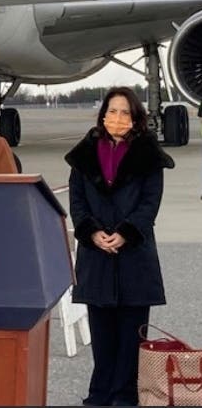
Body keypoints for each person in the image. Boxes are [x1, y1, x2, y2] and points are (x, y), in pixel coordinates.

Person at [64, 86, 174, 406]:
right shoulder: (84, 154)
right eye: (112, 111)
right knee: (102, 335)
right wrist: (91, 233)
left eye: (125, 112)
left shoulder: (148, 155)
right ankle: (99, 394)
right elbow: (78, 201)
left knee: (131, 336)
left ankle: (125, 395)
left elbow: (149, 203)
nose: (117, 118)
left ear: (136, 118)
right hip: (96, 256)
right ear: (102, 115)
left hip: (134, 255)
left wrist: (126, 232)